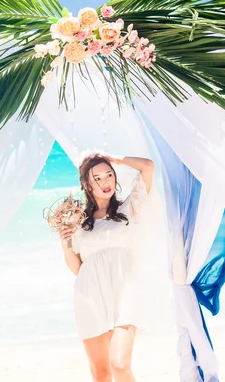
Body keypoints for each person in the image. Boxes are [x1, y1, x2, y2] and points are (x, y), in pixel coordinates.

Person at [58, 152, 155, 382]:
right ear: (86, 184)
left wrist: (118, 160)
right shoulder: (78, 223)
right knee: (101, 374)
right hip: (91, 295)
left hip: (126, 292)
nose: (105, 182)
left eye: (109, 175)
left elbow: (148, 167)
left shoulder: (128, 209)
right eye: (97, 178)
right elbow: (78, 269)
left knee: (119, 365)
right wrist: (65, 243)